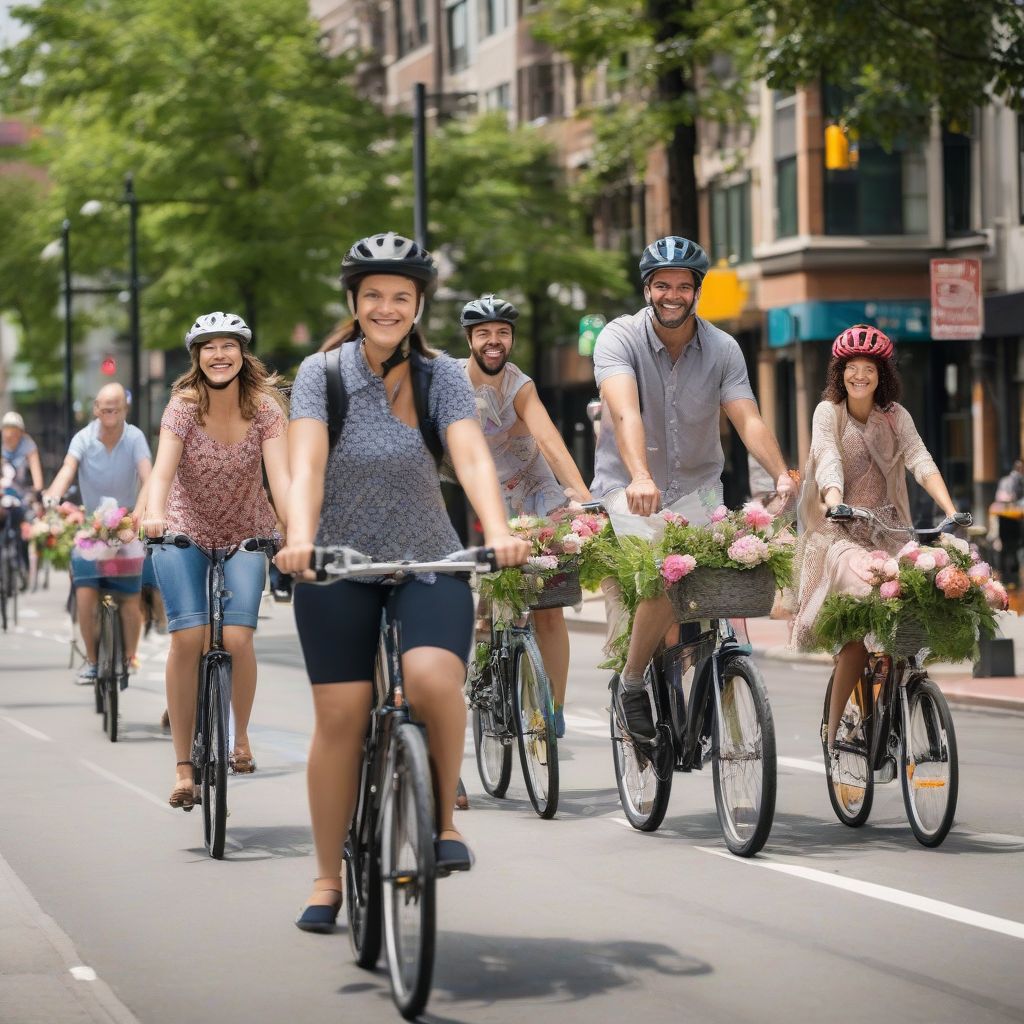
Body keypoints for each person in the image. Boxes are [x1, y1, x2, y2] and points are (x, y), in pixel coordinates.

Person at [276, 232, 529, 931]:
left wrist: (498, 529)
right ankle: (328, 878)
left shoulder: (442, 375)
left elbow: (471, 457)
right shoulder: (319, 374)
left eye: (402, 297)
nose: (387, 308)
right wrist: (300, 539)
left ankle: (445, 818)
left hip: (428, 558)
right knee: (341, 716)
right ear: (354, 303)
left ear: (418, 305)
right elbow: (309, 468)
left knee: (430, 679)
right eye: (374, 296)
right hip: (337, 563)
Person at [590, 235, 796, 741]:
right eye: (663, 285)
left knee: (719, 583)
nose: (673, 295)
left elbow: (745, 417)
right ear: (647, 290)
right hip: (629, 488)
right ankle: (633, 684)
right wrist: (640, 475)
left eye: (684, 286)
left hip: (700, 488)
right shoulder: (618, 339)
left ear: (697, 291)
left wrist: (782, 473)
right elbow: (624, 411)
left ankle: (706, 683)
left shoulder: (723, 348)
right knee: (668, 576)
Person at [792, 325, 960, 763]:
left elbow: (920, 458)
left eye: (869, 369)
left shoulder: (895, 415)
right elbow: (826, 455)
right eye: (852, 369)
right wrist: (834, 502)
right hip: (839, 532)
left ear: (881, 374)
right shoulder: (828, 412)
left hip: (888, 530)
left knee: (908, 604)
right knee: (854, 635)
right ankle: (833, 735)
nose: (860, 376)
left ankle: (897, 695)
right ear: (840, 373)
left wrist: (950, 509)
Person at [143, 312, 290, 809]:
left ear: (243, 354)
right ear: (197, 357)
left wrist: (293, 531)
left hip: (247, 529)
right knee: (189, 637)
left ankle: (239, 736)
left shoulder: (266, 409)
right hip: (183, 527)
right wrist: (155, 513)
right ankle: (184, 767)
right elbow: (162, 470)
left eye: (229, 345)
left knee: (237, 637)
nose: (219, 354)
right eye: (209, 347)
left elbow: (281, 478)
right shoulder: (183, 406)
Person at [458, 294, 592, 738]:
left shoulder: (521, 385)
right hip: (486, 494)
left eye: (502, 333)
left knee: (549, 607)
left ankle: (552, 709)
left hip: (536, 491)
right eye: (484, 334)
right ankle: (489, 672)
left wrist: (581, 495)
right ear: (470, 340)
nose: (494, 342)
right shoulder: (452, 384)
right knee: (500, 600)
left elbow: (549, 439)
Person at [44, 385, 152, 681]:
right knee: (85, 592)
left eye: (115, 408)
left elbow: (148, 475)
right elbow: (68, 468)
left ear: (125, 409)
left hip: (126, 525)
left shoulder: (135, 438)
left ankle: (129, 657)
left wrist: (141, 513)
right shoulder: (83, 438)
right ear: (95, 409)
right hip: (91, 526)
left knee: (130, 597)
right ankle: (92, 661)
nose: (110, 414)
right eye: (105, 409)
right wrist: (53, 494)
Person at [2, 411, 44, 584]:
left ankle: (24, 565)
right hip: (4, 493)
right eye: (6, 429)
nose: (9, 434)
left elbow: (36, 474)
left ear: (20, 432)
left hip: (23, 493)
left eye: (14, 430)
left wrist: (38, 492)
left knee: (24, 527)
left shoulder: (28, 446)